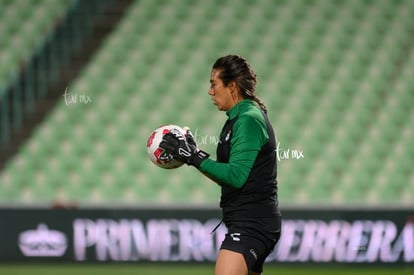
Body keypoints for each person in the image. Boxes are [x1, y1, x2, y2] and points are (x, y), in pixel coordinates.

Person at [160, 54, 281, 275]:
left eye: (214, 84)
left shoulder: (248, 119)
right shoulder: (236, 119)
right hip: (246, 222)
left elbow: (236, 176)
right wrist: (193, 158)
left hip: (252, 224)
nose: (210, 91)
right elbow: (230, 177)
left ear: (232, 86)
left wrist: (195, 157)